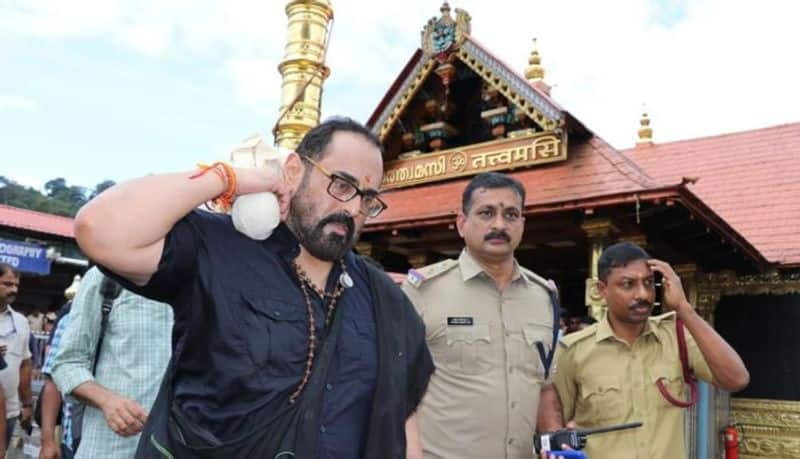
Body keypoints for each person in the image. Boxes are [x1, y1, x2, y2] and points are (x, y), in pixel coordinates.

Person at [73, 117, 434, 458]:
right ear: (293, 171)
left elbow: (402, 415)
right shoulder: (220, 248)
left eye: (368, 199)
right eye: (341, 185)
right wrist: (232, 179)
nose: (354, 208)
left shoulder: (381, 297)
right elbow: (98, 228)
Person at [402, 172, 564, 459]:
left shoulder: (543, 297)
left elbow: (544, 387)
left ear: (522, 225)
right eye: (486, 213)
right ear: (462, 223)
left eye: (511, 214)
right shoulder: (423, 292)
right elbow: (395, 389)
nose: (499, 225)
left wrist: (556, 444)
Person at [552, 242, 750, 459]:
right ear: (602, 290)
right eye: (628, 284)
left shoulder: (676, 336)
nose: (643, 294)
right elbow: (554, 426)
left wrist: (683, 307)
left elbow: (736, 379)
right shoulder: (573, 352)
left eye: (648, 283)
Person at [50, 267, 173, 458]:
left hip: (182, 447)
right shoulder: (105, 277)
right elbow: (68, 362)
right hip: (111, 448)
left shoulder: (205, 281)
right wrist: (107, 400)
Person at [0, 263, 33, 454]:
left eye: (16, 285)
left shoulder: (20, 322)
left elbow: (25, 364)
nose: (14, 290)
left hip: (10, 411)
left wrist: (27, 404)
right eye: (7, 284)